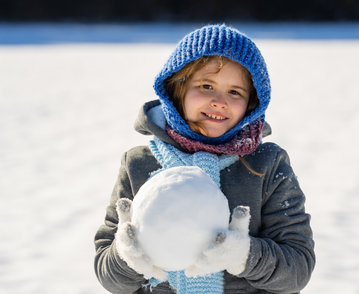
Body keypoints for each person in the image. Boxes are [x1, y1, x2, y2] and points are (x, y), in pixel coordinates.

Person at [94, 24, 315, 294]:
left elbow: (297, 270)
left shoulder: (267, 165)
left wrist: (244, 255)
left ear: (251, 105)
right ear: (177, 90)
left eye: (235, 92)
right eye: (206, 85)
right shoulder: (139, 164)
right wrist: (126, 256)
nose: (219, 101)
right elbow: (108, 275)